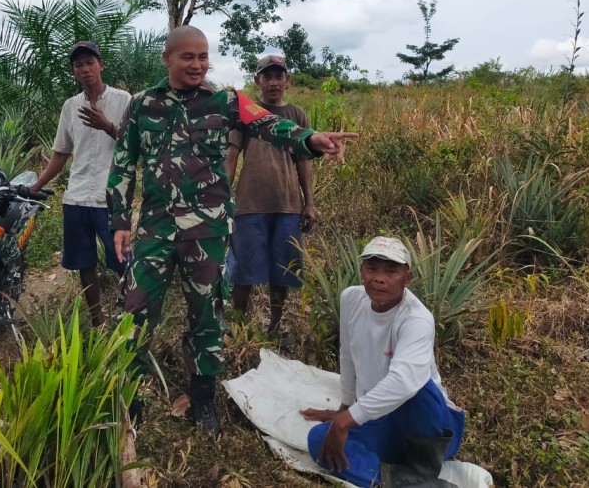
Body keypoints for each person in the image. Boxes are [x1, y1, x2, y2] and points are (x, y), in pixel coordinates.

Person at [107, 25, 358, 435]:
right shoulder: (142, 105)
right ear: (167, 58)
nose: (197, 64)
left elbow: (272, 126)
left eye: (203, 56)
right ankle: (128, 401)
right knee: (135, 313)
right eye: (188, 57)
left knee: (207, 318)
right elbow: (122, 165)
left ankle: (203, 400)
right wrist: (119, 221)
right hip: (155, 230)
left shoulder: (226, 101)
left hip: (207, 233)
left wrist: (312, 138)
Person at [300, 236, 466, 487]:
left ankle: (423, 467)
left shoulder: (416, 319)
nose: (379, 278)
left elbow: (403, 382)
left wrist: (346, 421)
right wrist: (345, 408)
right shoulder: (351, 299)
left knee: (420, 387)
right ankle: (404, 482)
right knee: (319, 440)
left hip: (430, 428)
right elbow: (347, 354)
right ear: (361, 272)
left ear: (407, 278)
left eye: (391, 271)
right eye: (372, 269)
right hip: (384, 420)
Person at [30, 40, 131, 327]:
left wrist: (107, 126)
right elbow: (61, 153)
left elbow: (135, 145)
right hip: (76, 197)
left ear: (101, 65)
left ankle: (128, 319)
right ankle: (98, 321)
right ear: (73, 72)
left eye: (90, 63)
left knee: (122, 262)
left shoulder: (123, 100)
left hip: (110, 197)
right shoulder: (70, 107)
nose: (85, 69)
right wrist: (35, 188)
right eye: (78, 65)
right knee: (84, 263)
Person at [224, 54, 315, 343]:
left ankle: (275, 327)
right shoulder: (246, 112)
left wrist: (309, 202)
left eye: (279, 76)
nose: (273, 82)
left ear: (287, 80)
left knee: (283, 271)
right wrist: (224, 198)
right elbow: (232, 155)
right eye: (268, 76)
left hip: (287, 205)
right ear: (257, 80)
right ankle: (239, 329)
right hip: (250, 204)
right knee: (243, 271)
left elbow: (304, 161)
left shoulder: (297, 114)